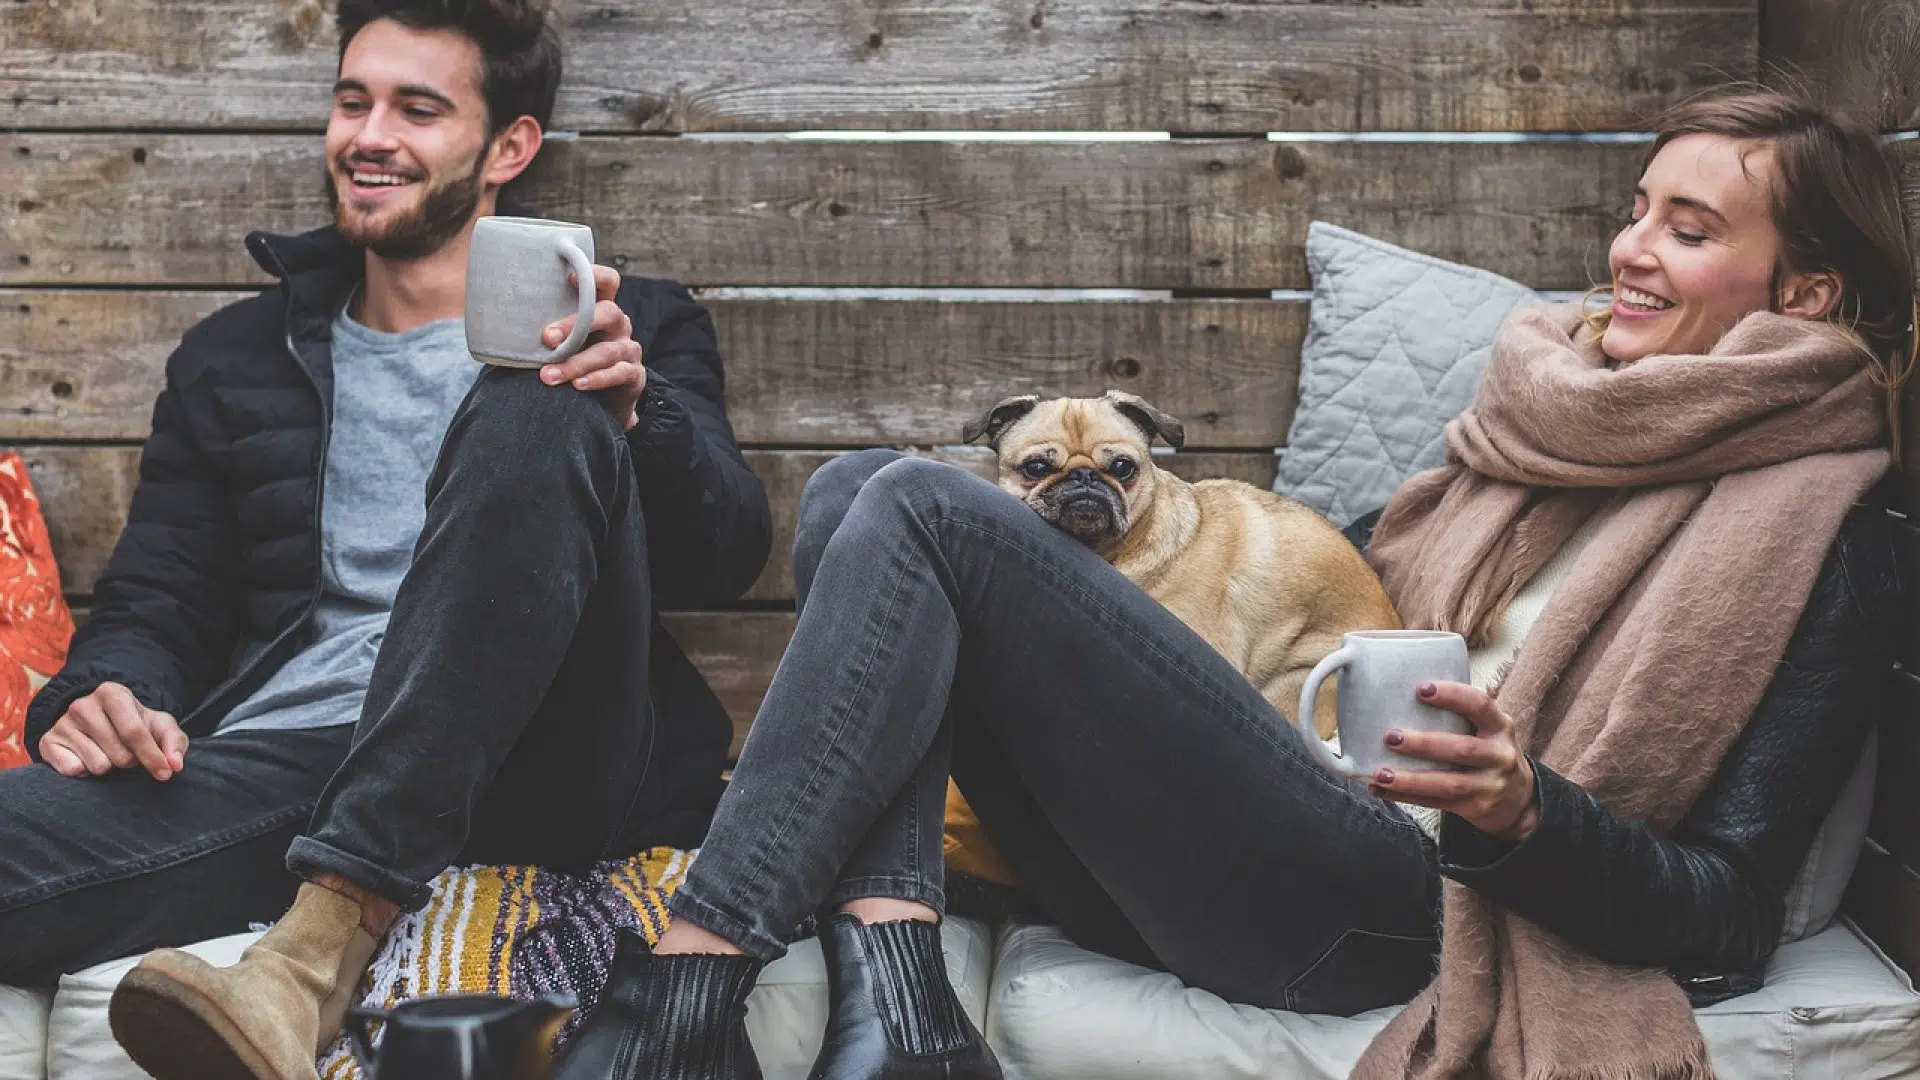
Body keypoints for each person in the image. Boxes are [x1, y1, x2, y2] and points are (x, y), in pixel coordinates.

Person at [550, 87, 1913, 1080]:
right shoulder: (1548, 424)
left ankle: (688, 986)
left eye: (1687, 229)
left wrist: (1521, 813)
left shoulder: (1816, 526)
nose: (1628, 249)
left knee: (914, 503)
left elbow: (1730, 915)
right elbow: (1360, 594)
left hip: (1395, 911)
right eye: (1636, 212)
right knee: (861, 491)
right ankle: (907, 1012)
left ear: (1806, 297)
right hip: (1249, 838)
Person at [0, 0, 770, 1077]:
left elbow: (727, 552)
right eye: (353, 101)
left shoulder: (628, 323)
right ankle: (341, 885)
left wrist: (641, 415)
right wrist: (100, 694)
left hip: (543, 754)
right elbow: (158, 603)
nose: (369, 136)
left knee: (544, 395)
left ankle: (317, 948)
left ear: (510, 147)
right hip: (293, 767)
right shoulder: (234, 358)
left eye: (417, 109)